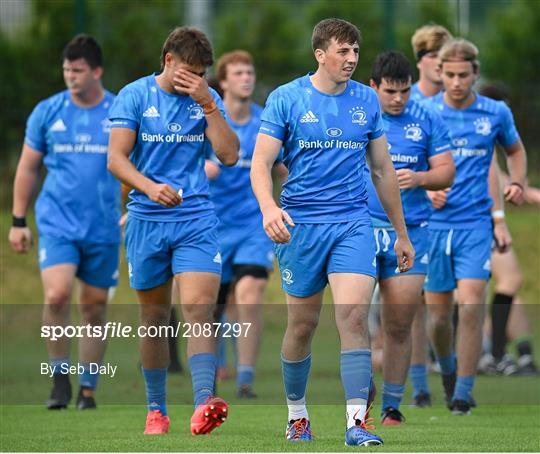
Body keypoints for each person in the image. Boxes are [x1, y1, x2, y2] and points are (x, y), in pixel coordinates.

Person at [251, 18, 414, 446]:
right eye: (343, 51)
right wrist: (269, 207)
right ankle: (297, 417)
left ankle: (357, 423)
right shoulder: (286, 99)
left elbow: (382, 170)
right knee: (302, 325)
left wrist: (401, 233)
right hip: (300, 227)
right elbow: (260, 163)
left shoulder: (366, 99)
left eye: (356, 51)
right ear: (320, 55)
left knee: (355, 316)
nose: (352, 59)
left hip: (353, 224)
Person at [107, 26, 239, 435]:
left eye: (201, 73)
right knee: (154, 318)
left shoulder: (206, 98)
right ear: (168, 61)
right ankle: (156, 411)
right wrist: (148, 187)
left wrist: (209, 105)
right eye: (189, 71)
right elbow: (116, 158)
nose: (195, 80)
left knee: (200, 309)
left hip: (195, 217)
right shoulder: (135, 95)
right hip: (146, 219)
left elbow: (230, 155)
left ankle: (203, 404)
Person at [8, 35, 120, 410]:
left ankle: (87, 388)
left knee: (93, 307)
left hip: (103, 226)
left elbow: (137, 166)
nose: (70, 76)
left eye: (78, 70)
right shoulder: (48, 111)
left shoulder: (119, 110)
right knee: (56, 295)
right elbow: (27, 167)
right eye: (66, 69)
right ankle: (59, 378)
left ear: (97, 71)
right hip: (57, 222)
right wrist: (18, 219)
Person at [425, 38, 527, 415]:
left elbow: (514, 151)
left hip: (474, 224)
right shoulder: (424, 110)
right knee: (438, 318)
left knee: (470, 306)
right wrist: (427, 185)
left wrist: (516, 181)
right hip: (432, 226)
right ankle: (449, 373)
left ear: (475, 74)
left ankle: (464, 393)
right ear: (441, 73)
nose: (455, 82)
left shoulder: (495, 112)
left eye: (462, 75)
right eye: (448, 75)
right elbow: (406, 158)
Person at [366, 50, 455, 425]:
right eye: (390, 91)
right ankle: (360, 392)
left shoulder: (428, 117)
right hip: (362, 230)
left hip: (413, 232)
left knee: (399, 322)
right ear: (374, 88)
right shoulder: (360, 118)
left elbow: (447, 171)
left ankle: (391, 405)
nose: (399, 98)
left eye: (404, 91)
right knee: (353, 317)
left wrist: (419, 178)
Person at [206, 50, 287, 398]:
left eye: (250, 72)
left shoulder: (264, 122)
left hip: (254, 226)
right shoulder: (208, 120)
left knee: (250, 295)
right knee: (210, 306)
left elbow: (284, 169)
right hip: (209, 226)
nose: (246, 78)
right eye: (238, 73)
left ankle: (245, 380)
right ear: (223, 81)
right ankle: (210, 373)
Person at [408, 23, 454, 407]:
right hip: (412, 219)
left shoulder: (457, 101)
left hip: (456, 221)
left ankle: (450, 368)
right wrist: (427, 184)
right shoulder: (405, 104)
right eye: (439, 59)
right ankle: (418, 387)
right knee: (409, 308)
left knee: (441, 315)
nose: (445, 68)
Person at [410, 24, 453, 102]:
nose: (439, 62)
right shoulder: (404, 101)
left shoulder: (462, 101)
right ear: (419, 62)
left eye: (444, 57)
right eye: (433, 56)